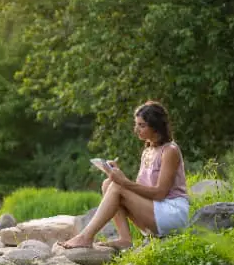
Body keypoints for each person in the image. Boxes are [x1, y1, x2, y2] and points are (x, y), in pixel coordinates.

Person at [60, 101, 190, 249]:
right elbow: (142, 189)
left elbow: (160, 193)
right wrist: (117, 174)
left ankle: (85, 237)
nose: (136, 129)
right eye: (136, 125)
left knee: (117, 187)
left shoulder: (170, 151)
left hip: (172, 212)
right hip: (156, 209)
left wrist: (123, 182)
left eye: (142, 125)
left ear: (156, 127)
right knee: (108, 184)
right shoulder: (148, 150)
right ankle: (125, 239)